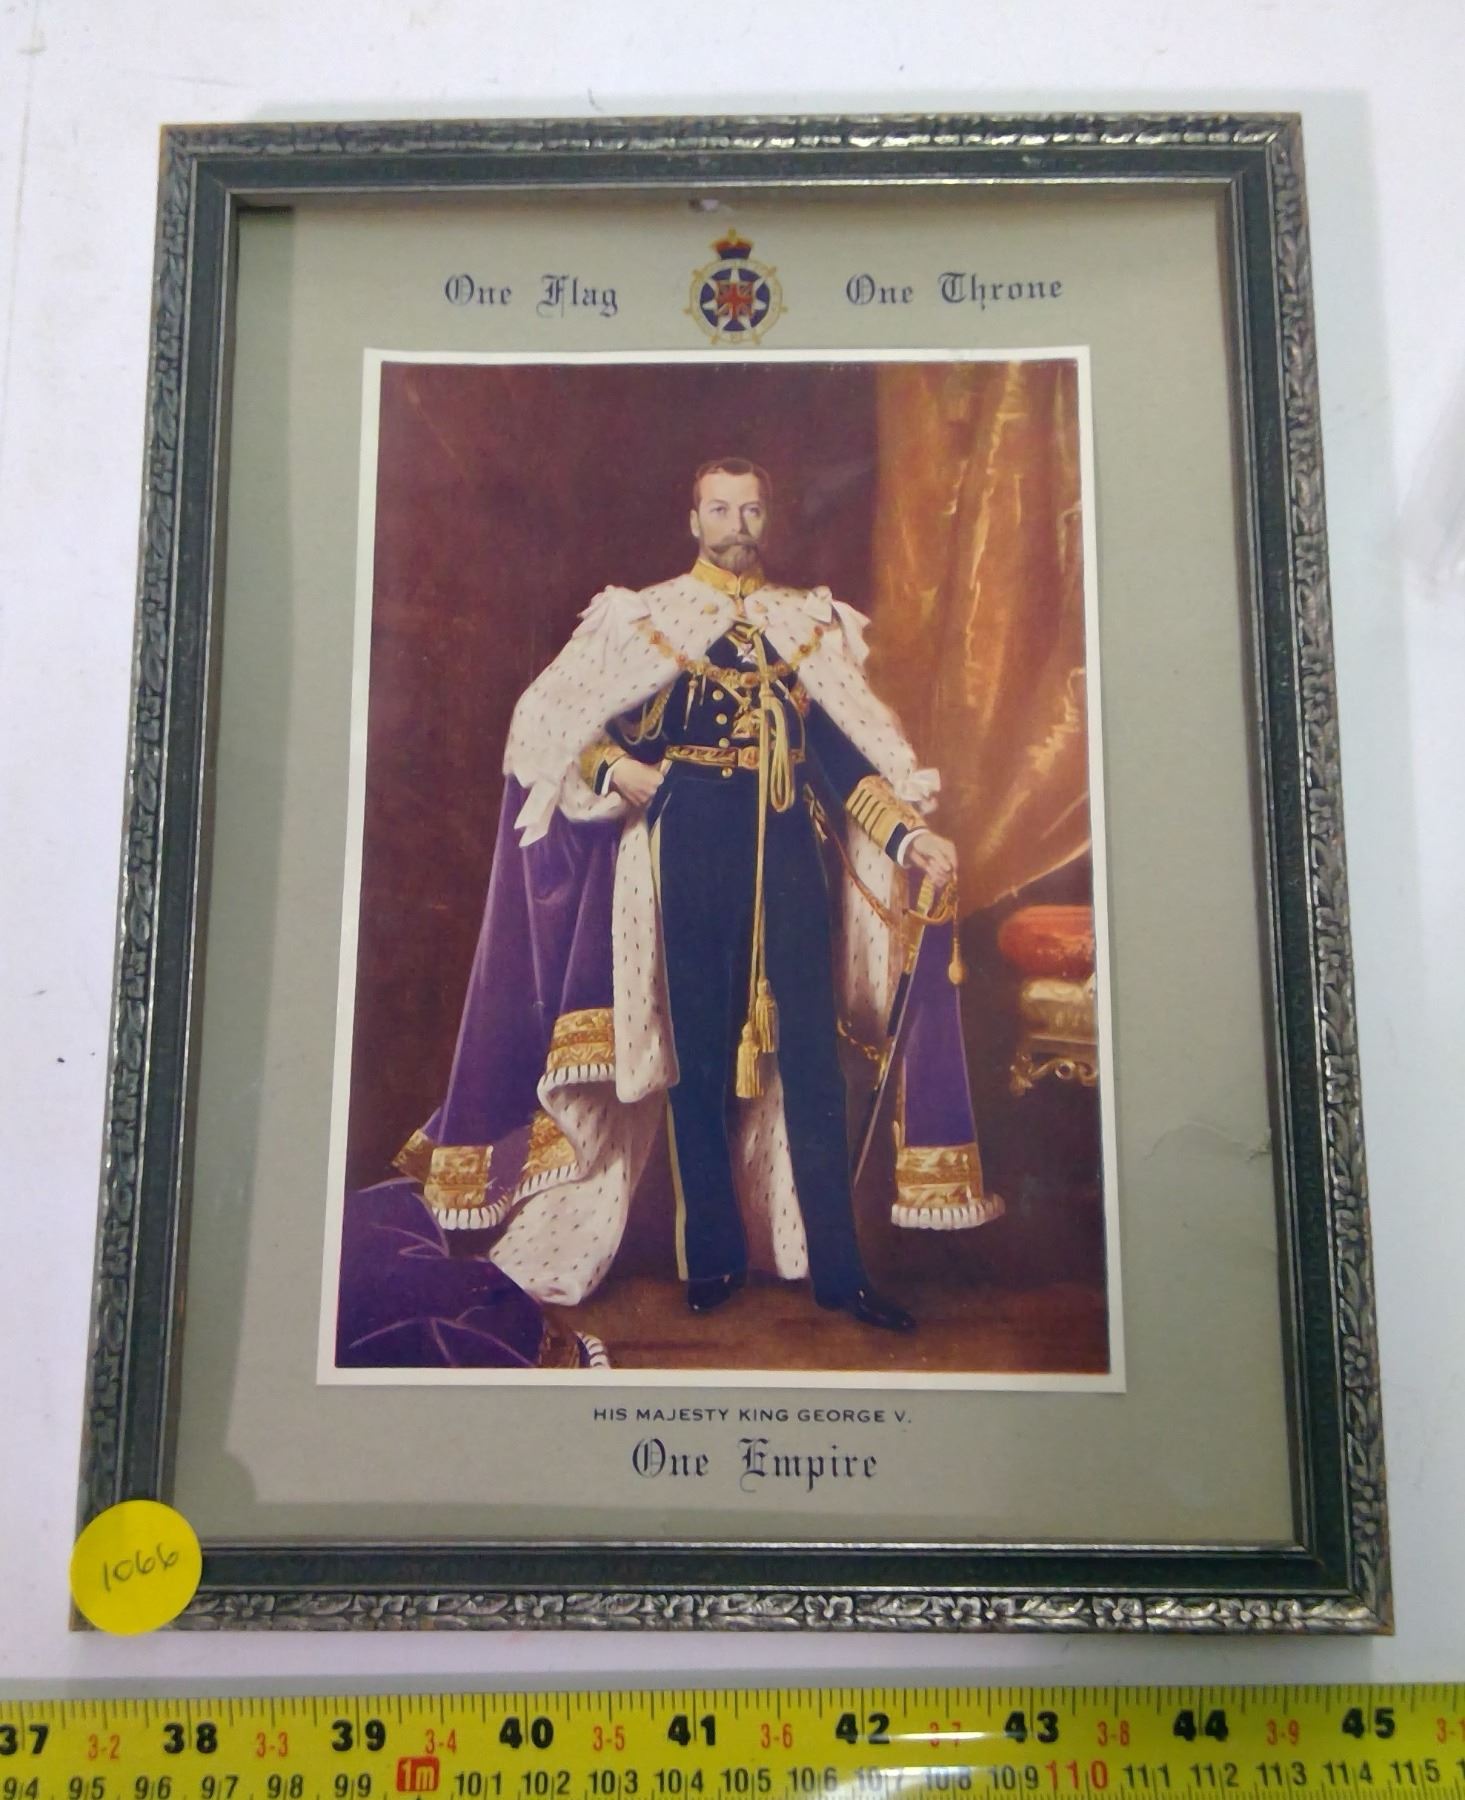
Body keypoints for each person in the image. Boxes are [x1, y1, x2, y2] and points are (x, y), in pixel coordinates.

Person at [389, 458, 997, 1342]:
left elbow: (843, 758)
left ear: (767, 518)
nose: (736, 526)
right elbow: (555, 725)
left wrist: (910, 838)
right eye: (720, 509)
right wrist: (615, 769)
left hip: (791, 858)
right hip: (683, 848)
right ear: (693, 519)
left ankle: (841, 1272)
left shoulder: (803, 624)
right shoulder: (646, 618)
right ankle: (712, 1260)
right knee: (698, 1057)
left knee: (813, 1063)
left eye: (750, 510)